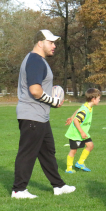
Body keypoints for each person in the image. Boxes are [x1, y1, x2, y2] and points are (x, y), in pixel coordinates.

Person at [12, 29, 76, 199]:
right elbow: (35, 90)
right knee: (27, 153)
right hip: (32, 115)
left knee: (48, 151)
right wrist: (54, 101)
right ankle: (19, 190)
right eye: (51, 42)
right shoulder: (35, 60)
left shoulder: (37, 60)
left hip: (39, 116)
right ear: (40, 43)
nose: (54, 46)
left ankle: (58, 186)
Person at [65, 88, 101, 173]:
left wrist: (72, 116)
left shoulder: (87, 106)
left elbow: (78, 110)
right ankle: (68, 168)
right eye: (99, 98)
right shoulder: (85, 110)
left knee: (90, 145)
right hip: (76, 133)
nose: (100, 100)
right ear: (93, 99)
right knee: (73, 150)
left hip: (82, 132)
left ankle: (80, 163)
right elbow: (76, 121)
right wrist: (81, 132)